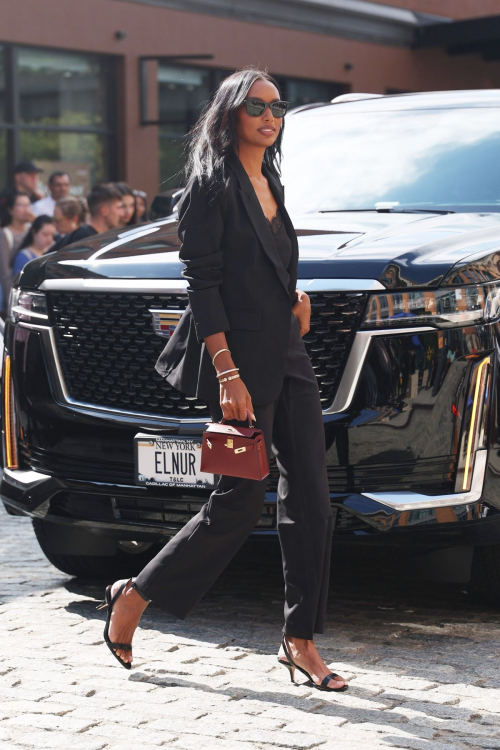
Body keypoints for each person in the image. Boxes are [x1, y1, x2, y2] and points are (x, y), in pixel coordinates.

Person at [99, 66, 348, 693]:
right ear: (230, 114)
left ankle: (300, 640)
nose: (270, 116)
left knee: (312, 501)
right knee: (235, 506)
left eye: (277, 106)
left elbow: (267, 263)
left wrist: (295, 297)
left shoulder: (273, 182)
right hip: (237, 365)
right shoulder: (210, 188)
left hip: (286, 354)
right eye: (255, 105)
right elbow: (203, 286)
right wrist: (228, 374)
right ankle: (135, 595)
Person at [52, 183, 123, 250]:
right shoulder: (85, 237)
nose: (121, 213)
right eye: (118, 208)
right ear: (104, 211)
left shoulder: (88, 236)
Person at [0, 191, 32, 311]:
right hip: (14, 290)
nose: (26, 209)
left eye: (28, 205)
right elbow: (5, 272)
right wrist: (11, 302)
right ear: (11, 210)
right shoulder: (6, 234)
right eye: (21, 205)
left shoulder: (32, 229)